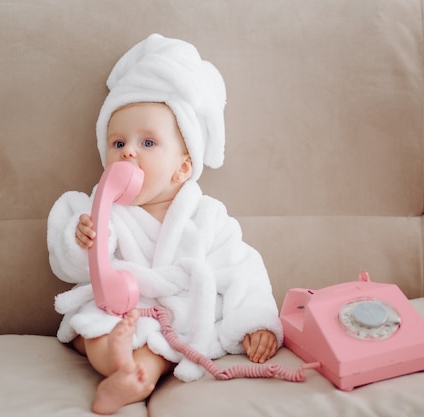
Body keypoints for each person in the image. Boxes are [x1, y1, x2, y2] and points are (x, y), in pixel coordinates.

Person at [47, 33, 283, 415]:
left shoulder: (206, 217)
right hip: (117, 308)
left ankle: (134, 373)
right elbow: (69, 266)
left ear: (183, 168)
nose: (129, 151)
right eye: (117, 143)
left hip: (175, 317)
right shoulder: (98, 208)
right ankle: (120, 362)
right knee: (92, 327)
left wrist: (255, 323)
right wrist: (84, 239)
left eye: (148, 143)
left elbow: (243, 268)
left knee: (165, 343)